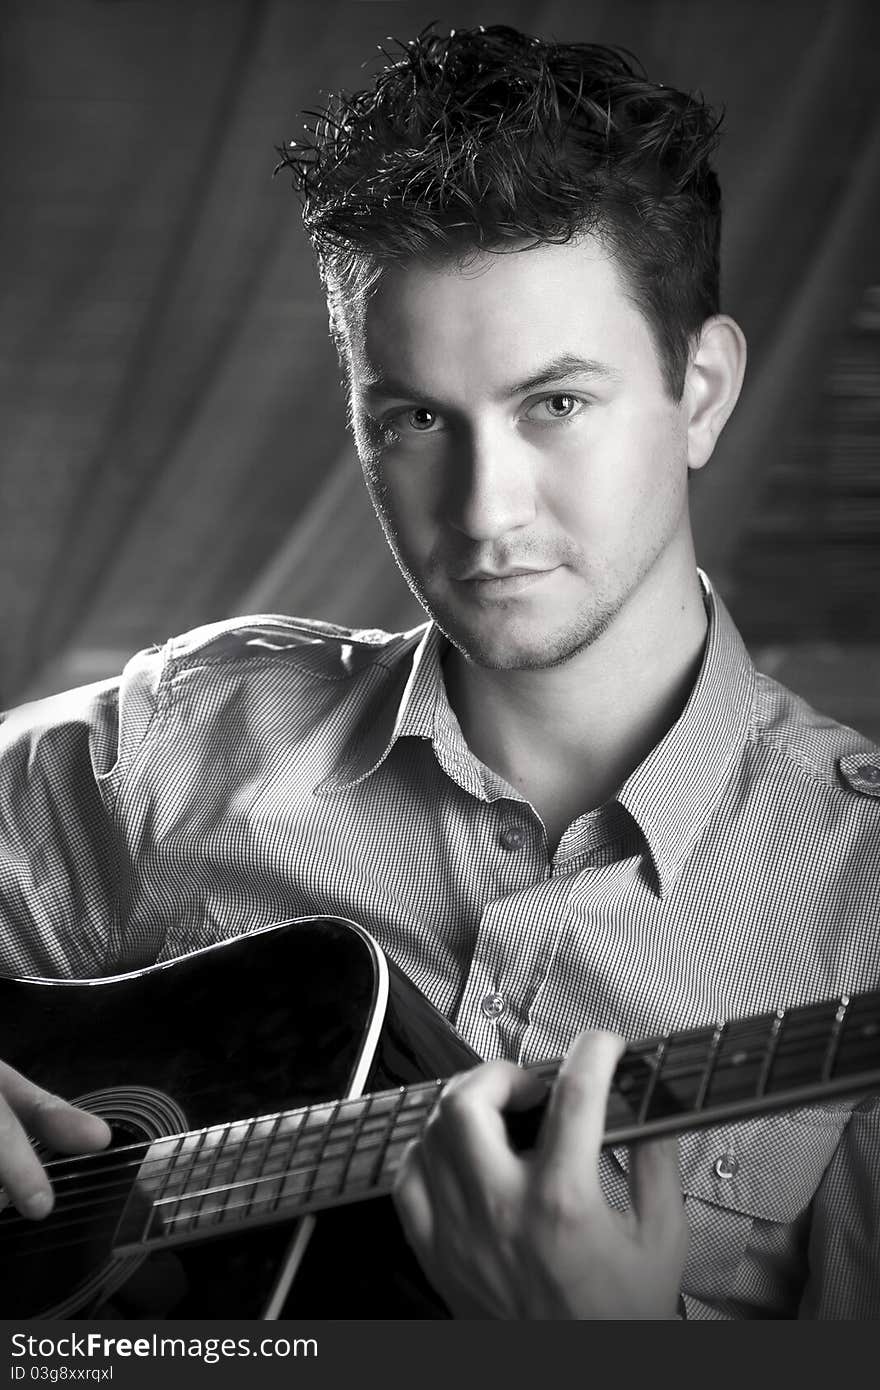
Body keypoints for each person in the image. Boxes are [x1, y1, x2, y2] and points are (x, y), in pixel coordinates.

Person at [1, 24, 879, 1320]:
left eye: (555, 404)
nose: (483, 508)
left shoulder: (862, 901)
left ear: (699, 392)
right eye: (414, 417)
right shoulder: (193, 742)